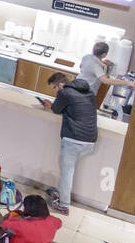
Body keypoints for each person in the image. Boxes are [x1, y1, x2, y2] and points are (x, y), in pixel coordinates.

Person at [40, 72, 98, 215]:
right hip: (90, 140)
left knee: (67, 172)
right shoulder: (88, 91)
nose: (55, 91)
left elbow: (56, 109)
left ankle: (64, 205)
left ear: (60, 84)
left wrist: (50, 105)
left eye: (54, 88)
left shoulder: (65, 93)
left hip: (74, 140)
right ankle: (60, 193)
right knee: (67, 170)